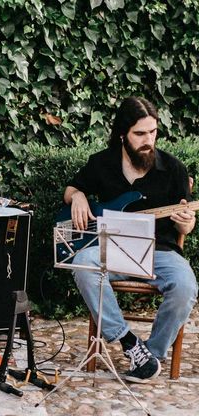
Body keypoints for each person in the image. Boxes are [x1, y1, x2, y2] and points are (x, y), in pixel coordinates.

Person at [65, 96, 197, 383]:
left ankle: (151, 354)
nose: (148, 140)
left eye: (153, 132)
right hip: (113, 248)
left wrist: (187, 224)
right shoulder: (102, 163)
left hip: (159, 251)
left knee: (186, 286)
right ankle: (128, 342)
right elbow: (72, 188)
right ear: (122, 134)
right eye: (140, 134)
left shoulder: (173, 169)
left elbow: (186, 224)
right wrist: (77, 195)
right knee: (83, 264)